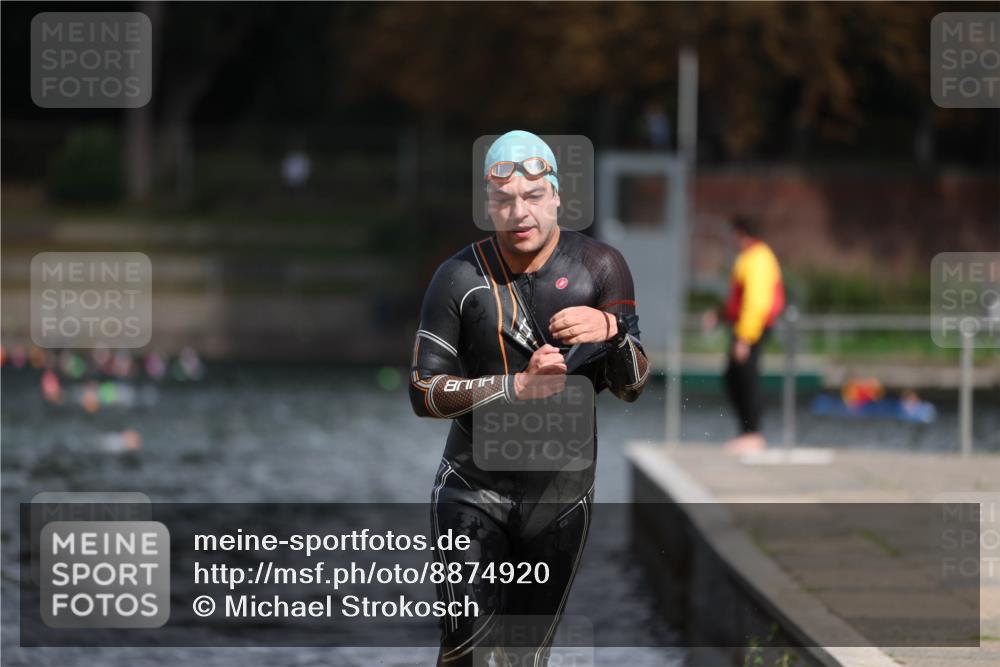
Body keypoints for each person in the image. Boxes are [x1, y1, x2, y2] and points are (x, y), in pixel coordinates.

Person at [409, 130, 649, 665]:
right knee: (464, 645)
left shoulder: (601, 268)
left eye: (533, 197)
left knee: (524, 656)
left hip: (561, 496)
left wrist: (612, 328)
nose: (520, 213)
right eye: (503, 200)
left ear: (558, 196)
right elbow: (423, 393)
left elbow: (632, 386)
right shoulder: (458, 278)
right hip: (471, 487)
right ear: (487, 205)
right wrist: (515, 387)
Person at [703, 214, 784, 453]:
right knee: (734, 376)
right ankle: (747, 432)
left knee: (746, 378)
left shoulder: (758, 259)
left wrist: (744, 338)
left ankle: (753, 434)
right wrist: (719, 315)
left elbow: (755, 302)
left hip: (752, 329)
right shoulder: (750, 257)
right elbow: (738, 301)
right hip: (746, 328)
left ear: (741, 233)